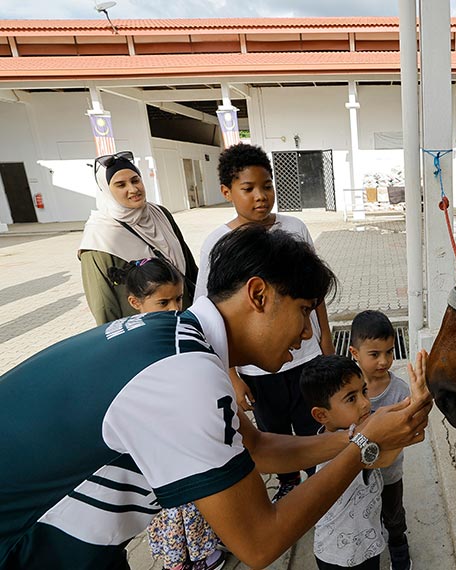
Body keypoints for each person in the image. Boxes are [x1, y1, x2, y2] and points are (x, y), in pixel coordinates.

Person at [0, 224, 432, 569]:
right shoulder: (186, 374)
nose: (308, 332)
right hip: (28, 546)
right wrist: (364, 445)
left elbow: (256, 447)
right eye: (303, 310)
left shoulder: (179, 340)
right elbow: (259, 543)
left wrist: (365, 432)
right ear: (258, 295)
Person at [195, 142, 334, 501]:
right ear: (227, 192)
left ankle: (319, 477)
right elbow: (212, 313)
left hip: (304, 361)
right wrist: (232, 376)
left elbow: (314, 292)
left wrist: (325, 340)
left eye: (267, 186)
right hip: (258, 372)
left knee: (312, 422)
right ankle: (288, 483)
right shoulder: (218, 244)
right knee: (274, 427)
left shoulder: (294, 227)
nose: (261, 196)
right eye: (248, 189)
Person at [110, 257, 225, 570]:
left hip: (184, 433)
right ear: (135, 302)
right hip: (156, 443)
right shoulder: (134, 341)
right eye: (163, 302)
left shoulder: (183, 328)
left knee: (197, 502)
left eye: (178, 298)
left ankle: (204, 551)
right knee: (171, 506)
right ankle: (178, 560)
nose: (175, 308)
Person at [300, 352, 428, 570]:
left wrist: (416, 403)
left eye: (363, 391)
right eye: (351, 398)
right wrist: (418, 402)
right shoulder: (348, 446)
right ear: (322, 415)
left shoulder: (341, 435)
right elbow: (390, 450)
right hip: (343, 557)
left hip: (366, 542)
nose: (365, 403)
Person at [79, 150, 198, 325]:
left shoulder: (160, 215)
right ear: (106, 191)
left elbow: (189, 266)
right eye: (121, 185)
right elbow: (104, 307)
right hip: (144, 331)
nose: (133, 189)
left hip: (186, 316)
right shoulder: (98, 238)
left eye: (135, 180)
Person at [349, 310, 412, 570]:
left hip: (389, 473)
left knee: (394, 515)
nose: (384, 361)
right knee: (365, 517)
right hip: (356, 474)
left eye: (390, 351)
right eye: (374, 354)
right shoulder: (347, 389)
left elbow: (406, 430)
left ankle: (399, 549)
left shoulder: (399, 391)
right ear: (354, 353)